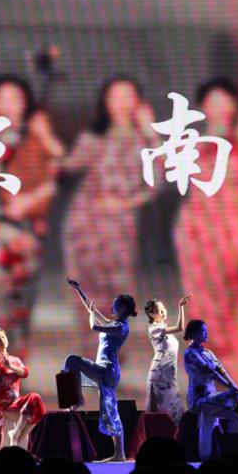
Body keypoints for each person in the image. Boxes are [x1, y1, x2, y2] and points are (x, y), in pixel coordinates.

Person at [175, 77, 238, 371]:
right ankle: (203, 343)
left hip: (232, 220)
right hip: (196, 220)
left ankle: (218, 337)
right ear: (203, 106)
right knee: (197, 284)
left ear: (235, 104)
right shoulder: (191, 140)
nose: (219, 107)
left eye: (225, 100)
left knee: (226, 282)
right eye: (212, 101)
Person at [62, 77, 157, 349]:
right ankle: (90, 348)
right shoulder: (94, 137)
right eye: (115, 96)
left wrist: (125, 204)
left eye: (128, 95)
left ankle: (113, 351)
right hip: (84, 221)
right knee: (86, 286)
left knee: (117, 288)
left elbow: (157, 182)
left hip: (120, 224)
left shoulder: (146, 141)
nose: (122, 103)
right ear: (105, 102)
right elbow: (68, 165)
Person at [0, 76, 65, 353]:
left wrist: (30, 201)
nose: (9, 104)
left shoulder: (37, 136)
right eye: (2, 98)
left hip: (26, 228)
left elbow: (56, 173)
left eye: (16, 98)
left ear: (26, 103)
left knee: (23, 301)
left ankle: (17, 360)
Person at [63, 278, 136, 462]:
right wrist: (78, 289)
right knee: (110, 410)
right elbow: (92, 309)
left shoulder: (122, 328)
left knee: (72, 361)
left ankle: (76, 399)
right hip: (102, 369)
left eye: (115, 304)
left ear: (123, 308)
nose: (112, 306)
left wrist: (91, 315)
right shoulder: (113, 324)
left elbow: (94, 325)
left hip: (107, 371)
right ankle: (119, 453)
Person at [182, 319, 238, 461]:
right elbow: (211, 372)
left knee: (236, 414)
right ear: (193, 334)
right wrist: (231, 387)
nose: (206, 334)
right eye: (202, 331)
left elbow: (221, 370)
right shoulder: (190, 353)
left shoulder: (208, 352)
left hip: (211, 398)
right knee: (234, 396)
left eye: (206, 331)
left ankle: (232, 451)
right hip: (198, 400)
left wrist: (234, 386)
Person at [0, 326, 45, 451]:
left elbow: (25, 373)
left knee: (36, 401)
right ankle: (15, 439)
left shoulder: (15, 360)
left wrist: (10, 366)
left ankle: (16, 435)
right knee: (28, 416)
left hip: (15, 401)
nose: (1, 340)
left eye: (3, 337)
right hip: (2, 403)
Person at [144, 295, 191, 425]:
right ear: (151, 314)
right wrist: (181, 307)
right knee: (166, 409)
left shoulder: (165, 331)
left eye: (163, 308)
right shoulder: (154, 328)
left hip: (169, 373)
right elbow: (180, 327)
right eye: (159, 310)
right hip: (160, 373)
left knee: (174, 408)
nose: (163, 312)